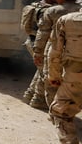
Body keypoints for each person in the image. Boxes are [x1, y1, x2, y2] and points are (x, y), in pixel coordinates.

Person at [33, 0, 82, 111]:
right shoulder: (80, 9)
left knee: (52, 82)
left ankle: (55, 113)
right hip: (76, 53)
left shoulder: (53, 11)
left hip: (55, 52)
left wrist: (37, 52)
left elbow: (42, 34)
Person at [48, 9, 82, 144]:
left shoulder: (67, 20)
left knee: (61, 112)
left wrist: (54, 76)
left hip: (75, 75)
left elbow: (55, 51)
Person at [22, 0, 58, 107]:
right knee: (45, 73)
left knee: (41, 71)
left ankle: (29, 95)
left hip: (32, 41)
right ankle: (38, 100)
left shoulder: (36, 6)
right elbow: (43, 31)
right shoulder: (46, 10)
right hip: (38, 44)